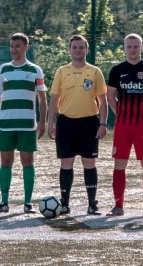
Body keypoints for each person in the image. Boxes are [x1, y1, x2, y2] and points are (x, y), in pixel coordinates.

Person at [45, 34, 109, 215]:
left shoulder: (95, 72)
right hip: (66, 123)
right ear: (69, 50)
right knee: (66, 163)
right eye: (75, 47)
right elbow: (54, 100)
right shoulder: (62, 71)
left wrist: (102, 123)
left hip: (89, 123)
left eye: (81, 47)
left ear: (87, 50)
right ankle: (64, 203)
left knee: (89, 162)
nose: (78, 50)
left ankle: (92, 203)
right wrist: (50, 124)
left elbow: (103, 101)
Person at [0, 33, 47, 214]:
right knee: (6, 161)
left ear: (26, 47)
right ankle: (4, 201)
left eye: (18, 46)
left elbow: (42, 99)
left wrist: (42, 122)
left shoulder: (36, 70)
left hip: (28, 125)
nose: (14, 49)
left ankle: (27, 203)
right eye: (12, 46)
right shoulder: (4, 69)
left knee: (27, 162)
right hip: (5, 124)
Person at [106, 33, 143, 216]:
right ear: (124, 47)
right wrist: (121, 114)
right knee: (119, 164)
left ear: (142, 47)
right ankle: (118, 206)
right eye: (129, 46)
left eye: (136, 46)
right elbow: (110, 96)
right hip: (123, 126)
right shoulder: (116, 70)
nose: (132, 50)